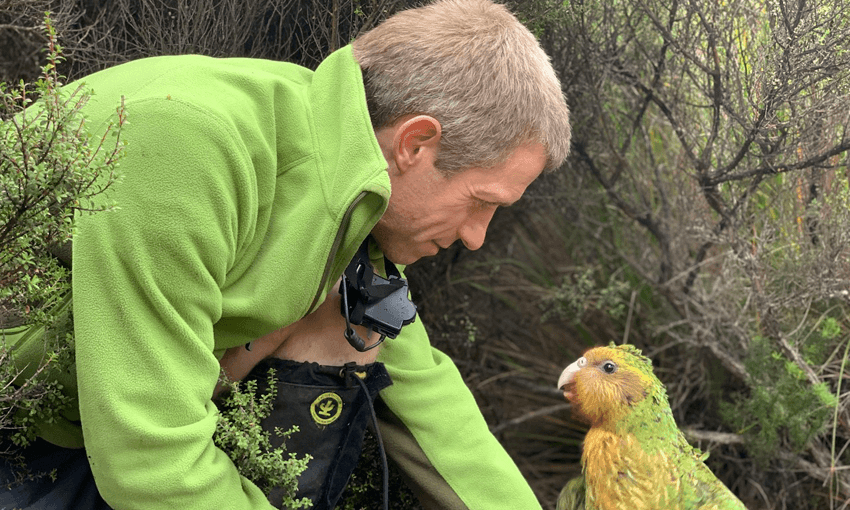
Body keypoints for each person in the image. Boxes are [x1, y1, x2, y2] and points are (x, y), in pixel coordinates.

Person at [0, 0, 571, 508]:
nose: (477, 236)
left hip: (88, 425)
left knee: (348, 324)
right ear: (415, 143)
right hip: (22, 427)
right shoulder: (195, 145)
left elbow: (426, 398)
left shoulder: (344, 178)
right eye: (481, 202)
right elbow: (149, 458)